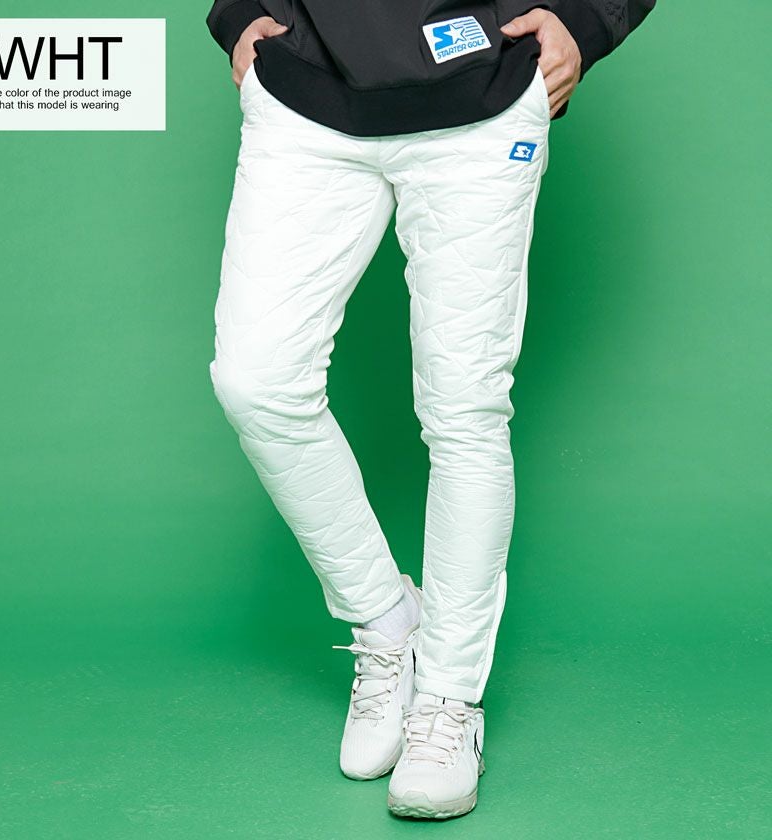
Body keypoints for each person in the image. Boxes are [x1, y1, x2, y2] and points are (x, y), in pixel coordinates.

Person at [205, 0, 655, 820]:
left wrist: (589, 19)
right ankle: (385, 620)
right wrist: (236, 14)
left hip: (480, 101)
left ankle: (448, 702)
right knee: (256, 380)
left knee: (464, 409)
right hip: (306, 99)